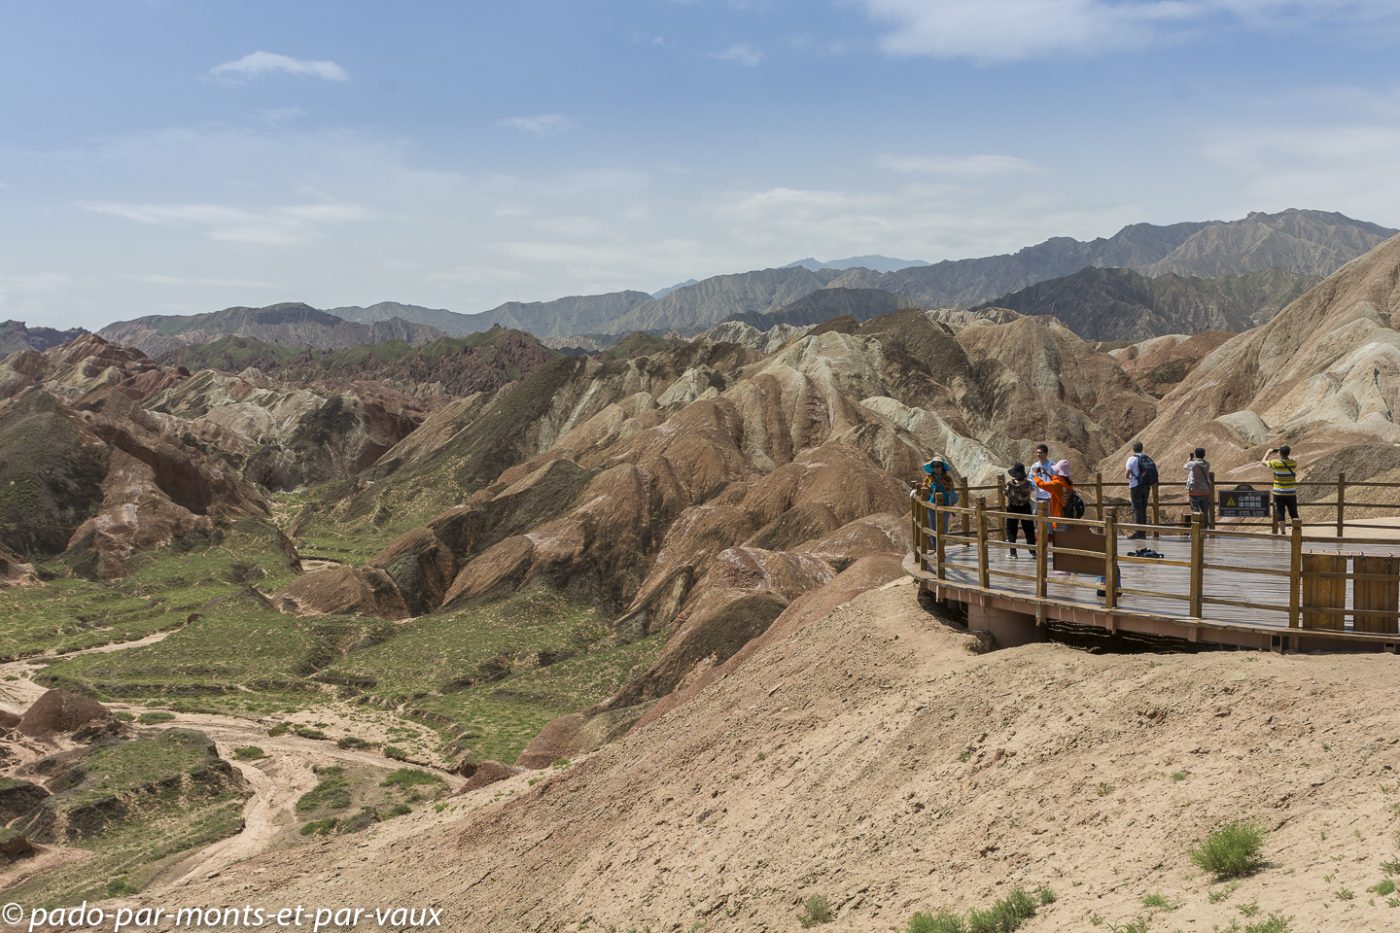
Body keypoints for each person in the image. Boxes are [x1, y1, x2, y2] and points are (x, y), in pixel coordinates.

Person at [1032, 459, 1076, 531]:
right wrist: (1047, 474)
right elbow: (1057, 481)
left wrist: (1035, 475)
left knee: (1060, 535)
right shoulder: (1068, 482)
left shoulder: (1057, 484)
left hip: (1059, 515)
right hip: (1068, 513)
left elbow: (1042, 484)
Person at [1262, 444, 1299, 528]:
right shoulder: (1293, 463)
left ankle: (1283, 532)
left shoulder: (1275, 463)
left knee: (1280, 513)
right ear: (1288, 453)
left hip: (1278, 493)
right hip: (1291, 492)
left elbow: (1263, 461)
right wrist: (1283, 451)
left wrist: (1268, 452)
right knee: (1294, 513)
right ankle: (1297, 531)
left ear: (1280, 453)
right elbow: (1289, 458)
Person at [1004, 462, 1036, 558]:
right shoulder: (1028, 484)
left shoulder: (1010, 484)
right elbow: (1032, 490)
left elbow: (1006, 493)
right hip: (1025, 507)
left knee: (1011, 530)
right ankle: (1033, 552)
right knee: (1029, 530)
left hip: (1012, 508)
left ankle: (1013, 553)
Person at [1125, 441, 1156, 538]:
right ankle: (1143, 532)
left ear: (1133, 449)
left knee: (1138, 510)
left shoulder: (1132, 459)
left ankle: (1139, 533)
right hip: (1146, 486)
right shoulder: (1146, 458)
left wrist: (1130, 477)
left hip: (1136, 486)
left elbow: (1127, 473)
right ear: (1142, 448)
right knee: (1143, 509)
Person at [1185, 447, 1213, 528]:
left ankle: (1196, 530)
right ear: (1204, 455)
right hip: (1205, 491)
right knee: (1205, 512)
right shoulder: (1207, 464)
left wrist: (1189, 460)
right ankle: (1205, 530)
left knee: (1195, 512)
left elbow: (1185, 467)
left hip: (1194, 491)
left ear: (1195, 454)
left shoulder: (1192, 464)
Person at [1030, 444, 1056, 509]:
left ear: (1046, 454)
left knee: (1050, 514)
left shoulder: (1052, 465)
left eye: (1040, 453)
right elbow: (1031, 478)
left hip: (1050, 495)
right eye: (1037, 452)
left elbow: (1056, 479)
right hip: (1039, 495)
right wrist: (1033, 485)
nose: (1038, 454)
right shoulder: (1034, 466)